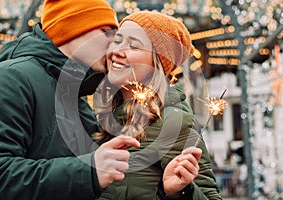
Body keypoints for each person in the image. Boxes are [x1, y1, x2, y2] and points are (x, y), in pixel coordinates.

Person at [0, 0, 141, 199]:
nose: (114, 47)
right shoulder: (12, 77)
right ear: (73, 28)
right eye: (106, 32)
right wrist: (88, 172)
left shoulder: (76, 97)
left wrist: (168, 190)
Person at [92, 11, 222, 199]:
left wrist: (178, 192)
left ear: (157, 64)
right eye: (117, 40)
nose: (116, 51)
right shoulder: (103, 118)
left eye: (134, 46)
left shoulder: (174, 122)